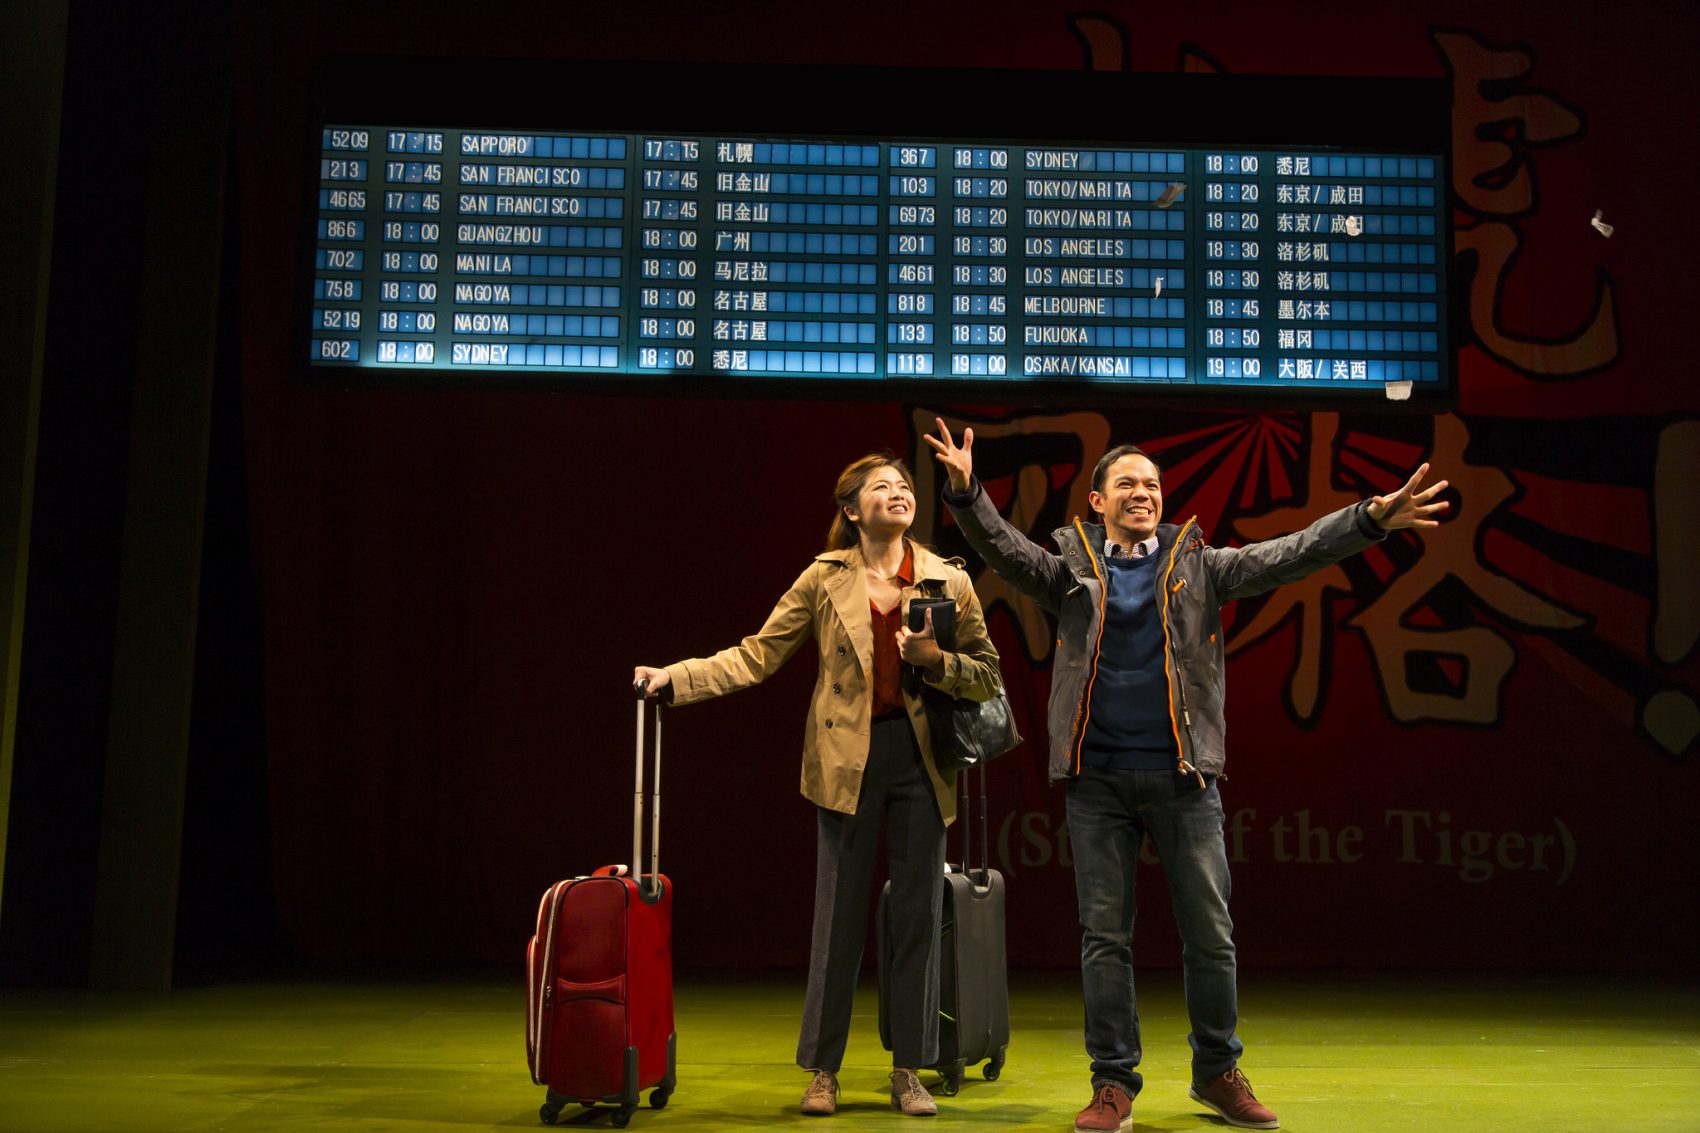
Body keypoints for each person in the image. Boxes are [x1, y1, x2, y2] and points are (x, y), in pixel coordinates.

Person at [924, 420, 1448, 1132]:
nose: (1144, 494)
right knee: (1104, 937)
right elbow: (1002, 548)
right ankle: (1113, 1082)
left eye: (1153, 485)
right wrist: (965, 490)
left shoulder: (1198, 563)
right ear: (1096, 501)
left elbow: (1290, 553)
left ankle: (1218, 1071)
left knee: (1211, 933)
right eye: (1129, 485)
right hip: (1099, 779)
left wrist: (1369, 519)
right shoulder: (1069, 565)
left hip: (1184, 778)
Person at [633, 452, 1003, 1118]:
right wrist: (678, 677)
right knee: (838, 920)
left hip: (922, 761)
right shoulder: (824, 579)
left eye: (902, 486)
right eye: (879, 488)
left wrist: (937, 661)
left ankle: (909, 1070)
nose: (896, 493)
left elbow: (987, 675)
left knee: (918, 916)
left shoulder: (948, 579)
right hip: (845, 761)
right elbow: (756, 653)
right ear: (852, 509)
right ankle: (823, 1070)